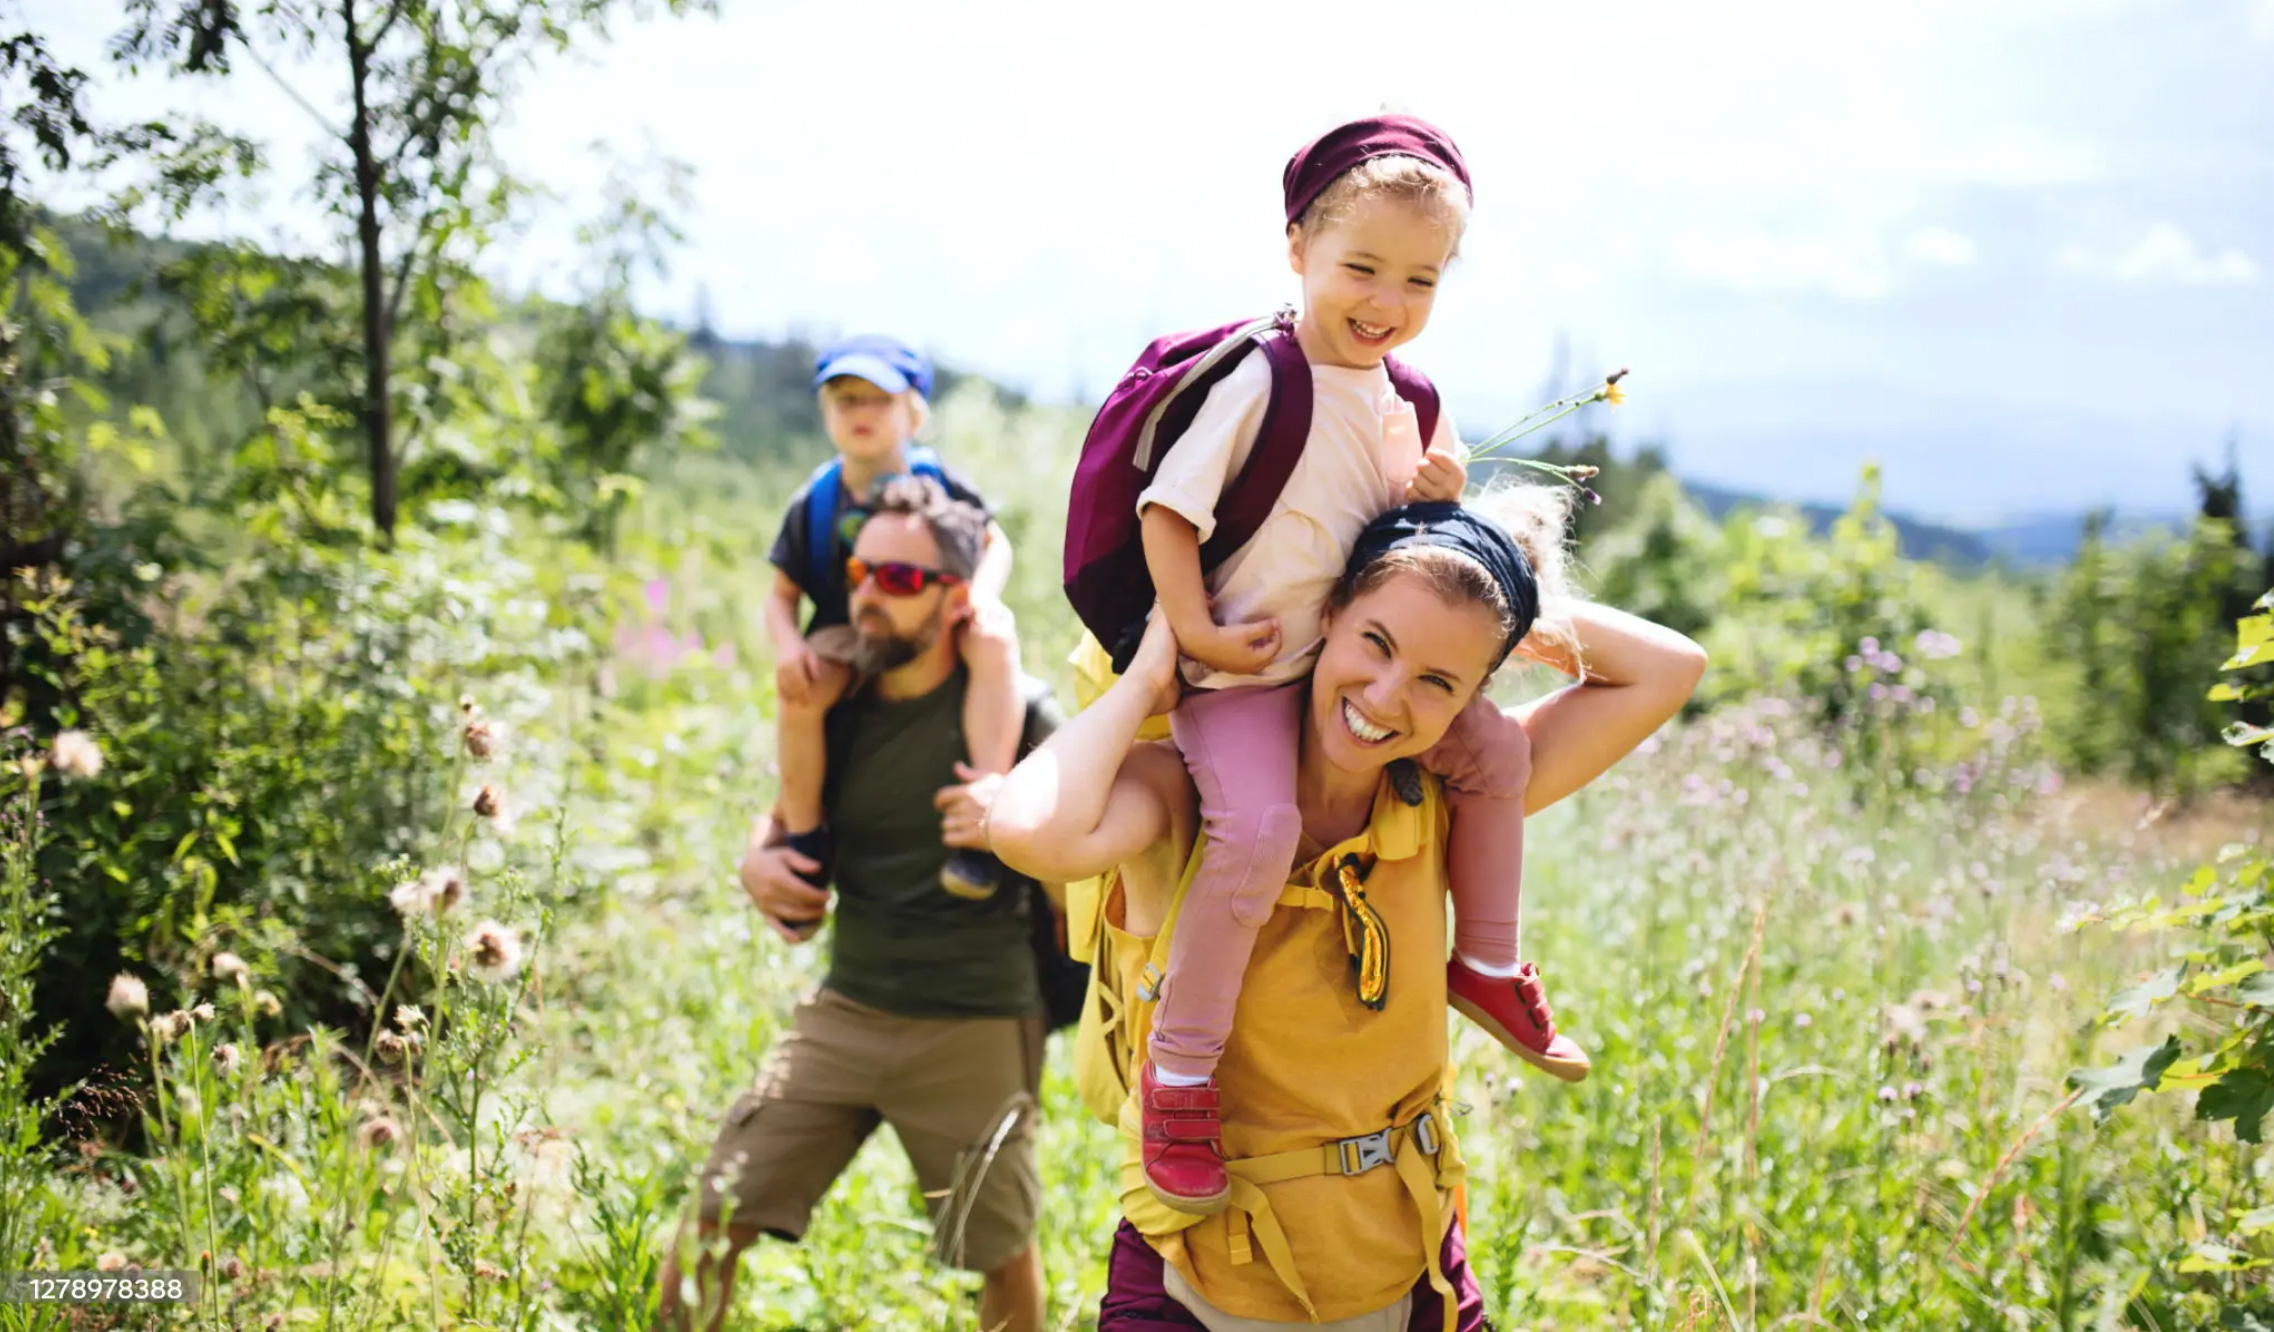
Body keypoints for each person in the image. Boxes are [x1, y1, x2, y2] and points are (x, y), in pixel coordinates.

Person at [989, 497, 1707, 1330]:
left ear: (1473, 696)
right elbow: (1030, 831)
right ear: (1324, 614)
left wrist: (1488, 587)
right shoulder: (1185, 791)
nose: (1387, 695)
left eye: (1439, 681)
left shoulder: (1450, 799)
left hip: (1410, 1278)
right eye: (1377, 642)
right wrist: (1152, 677)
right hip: (1198, 1284)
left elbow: (1670, 668)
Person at [1115, 112, 1579, 1215]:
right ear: (1297, 251)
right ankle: (1178, 1074)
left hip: (1348, 674)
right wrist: (1197, 636)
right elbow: (1167, 514)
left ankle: (1489, 963)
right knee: (1259, 830)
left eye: (1419, 281)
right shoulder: (1259, 382)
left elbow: (1439, 496)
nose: (1386, 301)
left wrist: (1439, 485)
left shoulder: (1405, 393)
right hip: (1243, 675)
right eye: (1360, 268)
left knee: (1497, 758)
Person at [659, 478, 1061, 1332]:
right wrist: (754, 864)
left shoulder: (1021, 717)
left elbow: (1086, 864)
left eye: (902, 580)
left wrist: (1019, 834)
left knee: (1001, 1251)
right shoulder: (837, 703)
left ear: (957, 599)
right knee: (709, 1220)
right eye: (860, 572)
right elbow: (783, 821)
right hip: (846, 1008)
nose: (870, 594)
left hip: (976, 1019)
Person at [764, 335, 1024, 903]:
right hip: (846, 627)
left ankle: (981, 812)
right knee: (801, 693)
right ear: (826, 412)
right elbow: (781, 594)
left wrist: (981, 594)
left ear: (914, 413)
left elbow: (994, 542)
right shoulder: (816, 500)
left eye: (877, 400)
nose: (861, 413)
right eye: (845, 400)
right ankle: (806, 838)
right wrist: (788, 648)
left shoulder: (942, 483)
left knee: (994, 641)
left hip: (936, 615)